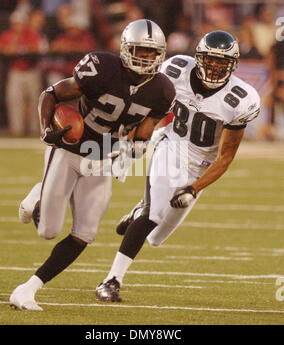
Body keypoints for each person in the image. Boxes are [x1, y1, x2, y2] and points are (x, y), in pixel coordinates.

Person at [9, 19, 176, 311]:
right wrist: (45, 128)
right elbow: (51, 94)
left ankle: (28, 289)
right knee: (47, 230)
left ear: (160, 55)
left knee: (85, 233)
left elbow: (145, 129)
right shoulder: (102, 67)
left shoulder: (161, 90)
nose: (145, 58)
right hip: (70, 149)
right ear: (126, 49)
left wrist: (136, 146)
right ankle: (38, 193)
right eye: (140, 51)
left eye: (151, 53)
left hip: (102, 159)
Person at [95, 30, 261, 303]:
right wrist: (132, 138)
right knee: (155, 214)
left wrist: (194, 188)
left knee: (156, 238)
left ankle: (142, 208)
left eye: (222, 62)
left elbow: (225, 157)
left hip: (201, 165)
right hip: (171, 146)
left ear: (233, 65)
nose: (215, 66)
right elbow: (152, 103)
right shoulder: (176, 69)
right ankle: (111, 280)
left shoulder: (241, 100)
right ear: (198, 58)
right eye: (210, 60)